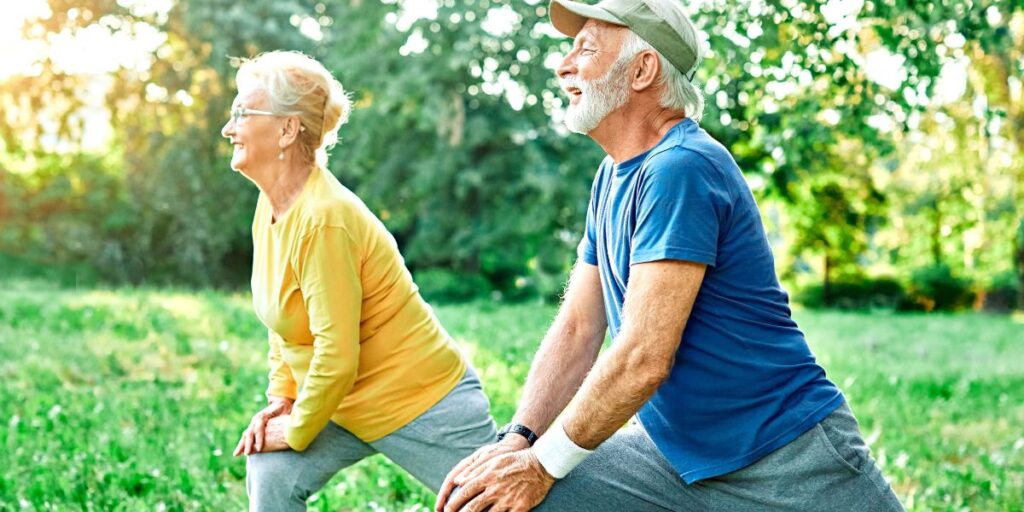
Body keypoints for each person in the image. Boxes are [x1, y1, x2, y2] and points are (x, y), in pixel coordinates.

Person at [436, 1, 905, 511]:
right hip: (673, 461)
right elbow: (577, 326)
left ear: (642, 70)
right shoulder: (613, 175)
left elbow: (643, 358)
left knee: (534, 481)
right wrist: (520, 440)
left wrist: (539, 466)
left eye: (586, 49)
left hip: (788, 462)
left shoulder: (681, 167)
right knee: (494, 500)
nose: (563, 64)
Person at [220, 50, 496, 511]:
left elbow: (337, 353)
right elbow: (284, 321)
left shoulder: (325, 219)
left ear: (288, 130)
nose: (229, 128)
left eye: (242, 113)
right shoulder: (270, 206)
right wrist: (283, 400)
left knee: (503, 504)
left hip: (420, 401)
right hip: (339, 401)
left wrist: (297, 428)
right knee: (270, 471)